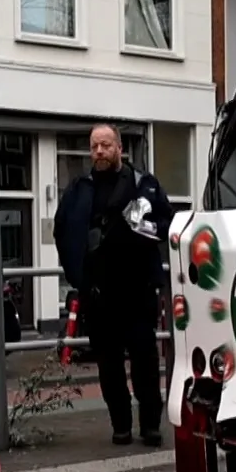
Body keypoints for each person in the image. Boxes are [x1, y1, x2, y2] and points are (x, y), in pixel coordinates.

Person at [53, 125, 174, 446]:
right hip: (98, 294)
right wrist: (77, 276)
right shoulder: (79, 190)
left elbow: (168, 223)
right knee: (108, 365)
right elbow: (61, 230)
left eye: (105, 145)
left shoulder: (143, 185)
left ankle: (150, 426)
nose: (99, 152)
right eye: (94, 147)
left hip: (138, 291)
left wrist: (145, 226)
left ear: (119, 148)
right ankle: (120, 426)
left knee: (145, 362)